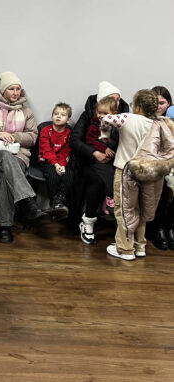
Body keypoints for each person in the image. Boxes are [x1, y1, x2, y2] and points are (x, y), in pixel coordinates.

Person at [100, 90, 163, 260]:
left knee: (124, 209)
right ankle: (139, 245)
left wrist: (105, 136)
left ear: (138, 107)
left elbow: (106, 118)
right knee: (141, 209)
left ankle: (125, 248)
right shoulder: (159, 125)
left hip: (126, 170)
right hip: (149, 172)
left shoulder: (127, 118)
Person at [0, 72, 45, 243]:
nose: (16, 92)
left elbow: (32, 137)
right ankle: (28, 201)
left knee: (5, 175)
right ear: (3, 91)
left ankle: (5, 227)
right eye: (11, 89)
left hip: (20, 155)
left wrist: (15, 137)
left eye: (18, 89)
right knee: (4, 157)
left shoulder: (27, 112)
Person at [70, 81, 129, 245]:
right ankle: (88, 222)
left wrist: (111, 151)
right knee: (97, 181)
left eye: (118, 99)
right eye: (112, 98)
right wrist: (95, 153)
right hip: (88, 161)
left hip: (114, 160)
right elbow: (75, 141)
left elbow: (124, 141)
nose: (116, 102)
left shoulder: (123, 117)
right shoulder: (90, 115)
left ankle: (122, 227)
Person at [38, 103, 74, 220]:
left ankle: (60, 199)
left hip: (62, 162)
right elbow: (46, 150)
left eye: (62, 115)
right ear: (52, 116)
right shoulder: (45, 130)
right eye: (56, 114)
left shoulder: (69, 134)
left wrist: (62, 165)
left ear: (68, 120)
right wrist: (56, 164)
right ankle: (55, 203)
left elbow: (66, 151)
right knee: (53, 175)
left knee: (69, 174)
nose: (58, 116)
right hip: (47, 160)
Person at [85, 96, 119, 218]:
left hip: (112, 158)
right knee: (108, 175)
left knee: (117, 176)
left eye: (105, 113)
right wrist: (104, 148)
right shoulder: (95, 125)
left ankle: (108, 200)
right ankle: (109, 199)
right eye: (99, 112)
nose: (101, 115)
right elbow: (90, 140)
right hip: (98, 159)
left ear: (114, 114)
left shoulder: (116, 127)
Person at [149, 86, 173, 250]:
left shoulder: (171, 121)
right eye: (155, 103)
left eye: (162, 103)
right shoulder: (143, 120)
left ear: (169, 104)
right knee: (162, 187)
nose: (158, 107)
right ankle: (158, 229)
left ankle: (170, 227)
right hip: (151, 164)